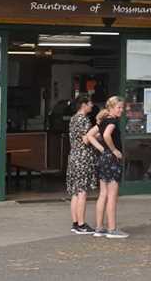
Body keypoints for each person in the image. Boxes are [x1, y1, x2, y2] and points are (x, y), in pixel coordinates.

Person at [87, 96, 128, 239]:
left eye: (122, 107)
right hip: (112, 160)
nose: (121, 110)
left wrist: (102, 149)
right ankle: (112, 229)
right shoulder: (112, 121)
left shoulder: (103, 120)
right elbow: (106, 135)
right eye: (119, 108)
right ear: (111, 108)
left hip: (103, 159)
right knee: (112, 196)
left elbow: (89, 136)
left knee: (103, 194)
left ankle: (99, 227)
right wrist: (113, 150)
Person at [67, 96, 97, 235]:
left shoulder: (73, 118)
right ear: (83, 105)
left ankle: (75, 223)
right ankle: (81, 224)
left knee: (75, 192)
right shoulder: (84, 120)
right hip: (83, 158)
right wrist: (97, 132)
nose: (91, 105)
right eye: (90, 103)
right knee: (82, 192)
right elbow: (86, 139)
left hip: (73, 156)